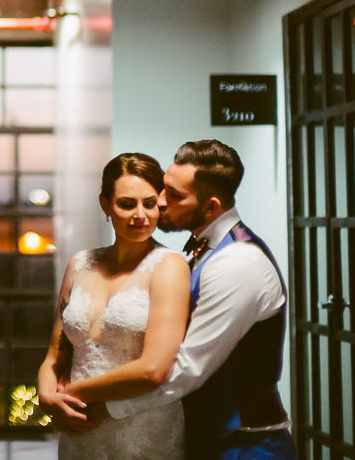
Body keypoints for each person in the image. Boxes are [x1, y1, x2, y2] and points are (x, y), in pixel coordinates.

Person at [75, 139, 296, 460]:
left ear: (211, 208)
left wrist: (102, 407)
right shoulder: (200, 250)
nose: (160, 201)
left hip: (245, 447)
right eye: (164, 187)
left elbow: (187, 370)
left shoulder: (237, 262)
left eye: (175, 196)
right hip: (209, 442)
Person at [39, 152, 191, 459]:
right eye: (126, 203)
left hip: (143, 430)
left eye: (149, 203)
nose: (141, 214)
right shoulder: (80, 263)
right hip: (79, 433)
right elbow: (55, 356)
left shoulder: (169, 266)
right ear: (105, 204)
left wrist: (70, 395)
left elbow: (153, 369)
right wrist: (45, 396)